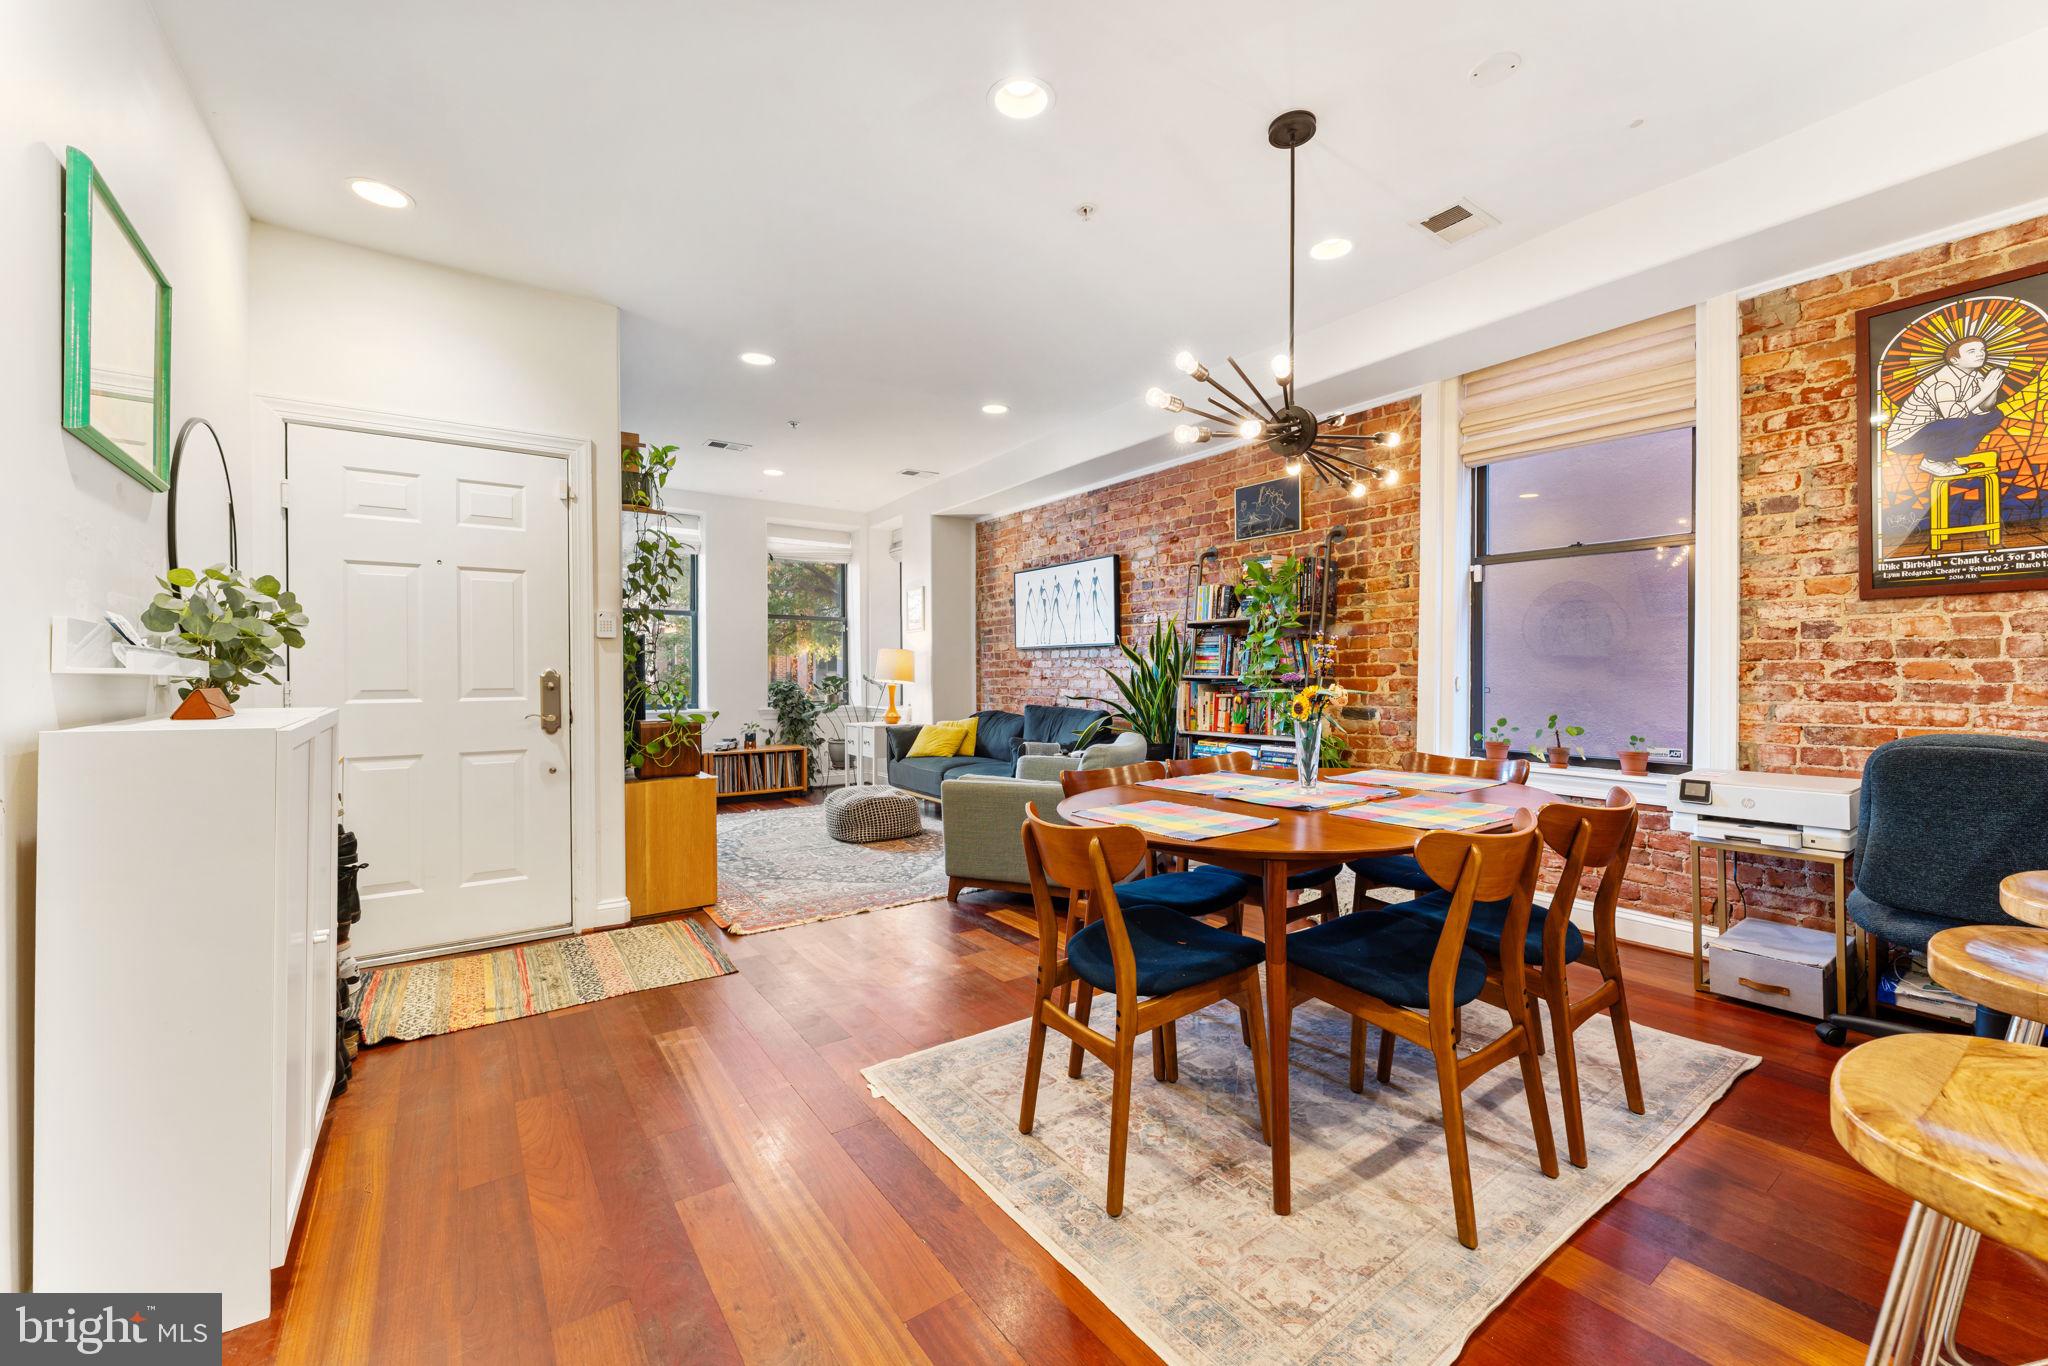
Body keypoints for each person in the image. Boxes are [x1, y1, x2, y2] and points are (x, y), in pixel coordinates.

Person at [1883, 336, 2010, 477]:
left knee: (1994, 415)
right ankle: (1932, 460)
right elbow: (1953, 415)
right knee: (1957, 422)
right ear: (1955, 360)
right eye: (1972, 351)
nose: (1980, 354)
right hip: (1908, 437)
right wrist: (1985, 390)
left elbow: (1984, 409)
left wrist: (1993, 388)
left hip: (1938, 428)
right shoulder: (1943, 381)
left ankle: (1947, 457)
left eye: (1982, 350)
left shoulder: (1974, 375)